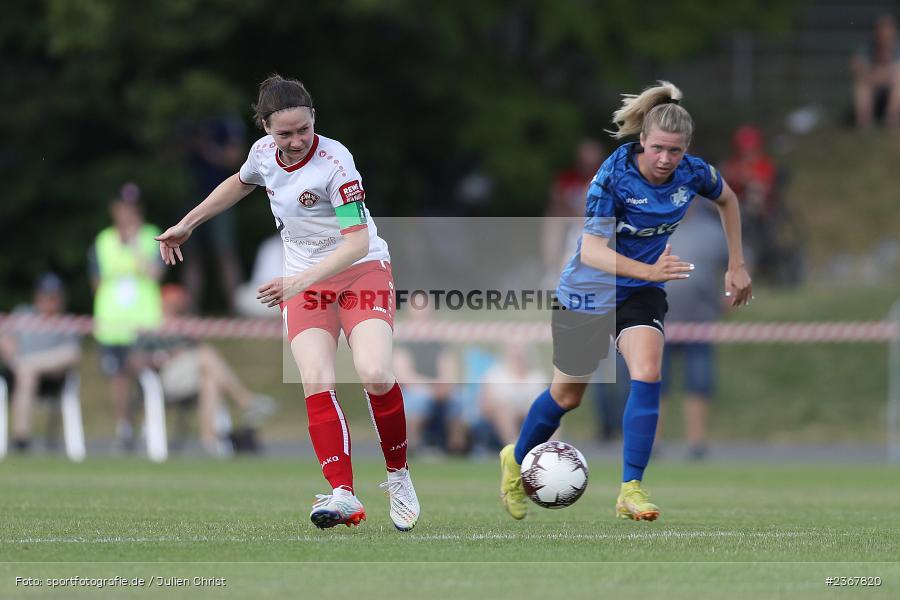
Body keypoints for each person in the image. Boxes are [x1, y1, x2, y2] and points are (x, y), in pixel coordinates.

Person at [156, 74, 419, 531]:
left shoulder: (336, 162)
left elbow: (356, 242)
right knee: (316, 377)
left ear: (314, 118)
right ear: (264, 129)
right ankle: (342, 495)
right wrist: (188, 223)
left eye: (304, 129)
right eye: (285, 134)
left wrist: (298, 281)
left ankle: (398, 477)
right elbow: (239, 183)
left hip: (360, 270)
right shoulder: (262, 156)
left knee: (375, 372)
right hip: (305, 281)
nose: (297, 141)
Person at [499, 81, 753, 522]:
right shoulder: (613, 176)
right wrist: (651, 270)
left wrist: (736, 263)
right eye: (658, 148)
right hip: (587, 290)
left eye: (675, 151)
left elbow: (728, 199)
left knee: (648, 370)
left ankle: (631, 489)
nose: (665, 159)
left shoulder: (694, 173)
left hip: (639, 293)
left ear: (686, 150)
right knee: (567, 395)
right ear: (642, 142)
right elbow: (593, 250)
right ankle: (514, 460)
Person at [132, 284, 276, 456]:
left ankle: (208, 440)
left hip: (189, 378)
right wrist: (163, 357)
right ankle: (246, 401)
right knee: (207, 355)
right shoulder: (151, 325)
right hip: (164, 379)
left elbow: (194, 348)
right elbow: (135, 360)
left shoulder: (184, 325)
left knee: (210, 380)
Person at [88, 184, 163, 450]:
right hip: (111, 323)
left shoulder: (152, 236)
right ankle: (124, 429)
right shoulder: (103, 240)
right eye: (123, 208)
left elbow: (155, 274)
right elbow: (96, 283)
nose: (127, 214)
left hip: (144, 323)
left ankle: (146, 424)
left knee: (143, 372)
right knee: (118, 378)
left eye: (132, 208)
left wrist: (134, 246)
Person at [660, 200, 730, 460]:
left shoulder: (712, 230)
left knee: (699, 382)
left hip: (700, 320)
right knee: (653, 381)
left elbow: (738, 258)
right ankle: (651, 442)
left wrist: (731, 291)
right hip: (658, 318)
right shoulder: (653, 224)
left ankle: (696, 443)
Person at [0, 274, 81, 451]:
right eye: (48, 296)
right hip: (19, 376)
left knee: (31, 368)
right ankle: (21, 439)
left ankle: (22, 439)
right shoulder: (23, 314)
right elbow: (5, 338)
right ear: (38, 297)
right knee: (27, 374)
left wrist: (31, 363)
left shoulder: (65, 322)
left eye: (55, 297)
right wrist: (10, 349)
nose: (52, 301)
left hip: (53, 378)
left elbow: (72, 354)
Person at [179, 114, 247, 313]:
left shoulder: (227, 121)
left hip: (222, 199)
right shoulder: (189, 123)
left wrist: (206, 147)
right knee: (190, 256)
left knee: (225, 253)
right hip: (192, 197)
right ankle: (191, 311)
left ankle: (237, 309)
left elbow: (235, 160)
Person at [541, 139, 605, 285]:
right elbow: (556, 202)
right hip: (571, 221)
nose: (587, 165)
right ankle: (551, 268)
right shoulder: (568, 178)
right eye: (584, 161)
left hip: (594, 225)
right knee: (553, 219)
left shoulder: (603, 180)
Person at [479, 344, 546, 447]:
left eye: (521, 351)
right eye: (514, 350)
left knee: (550, 410)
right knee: (504, 409)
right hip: (501, 416)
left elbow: (545, 403)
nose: (518, 355)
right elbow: (485, 405)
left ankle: (549, 447)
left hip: (530, 414)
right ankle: (514, 447)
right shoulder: (494, 375)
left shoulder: (537, 377)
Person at [851, 13, 900, 129]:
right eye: (881, 32)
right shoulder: (867, 49)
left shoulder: (897, 49)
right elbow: (857, 68)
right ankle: (864, 124)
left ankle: (892, 121)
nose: (884, 37)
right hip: (873, 90)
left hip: (892, 91)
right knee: (861, 85)